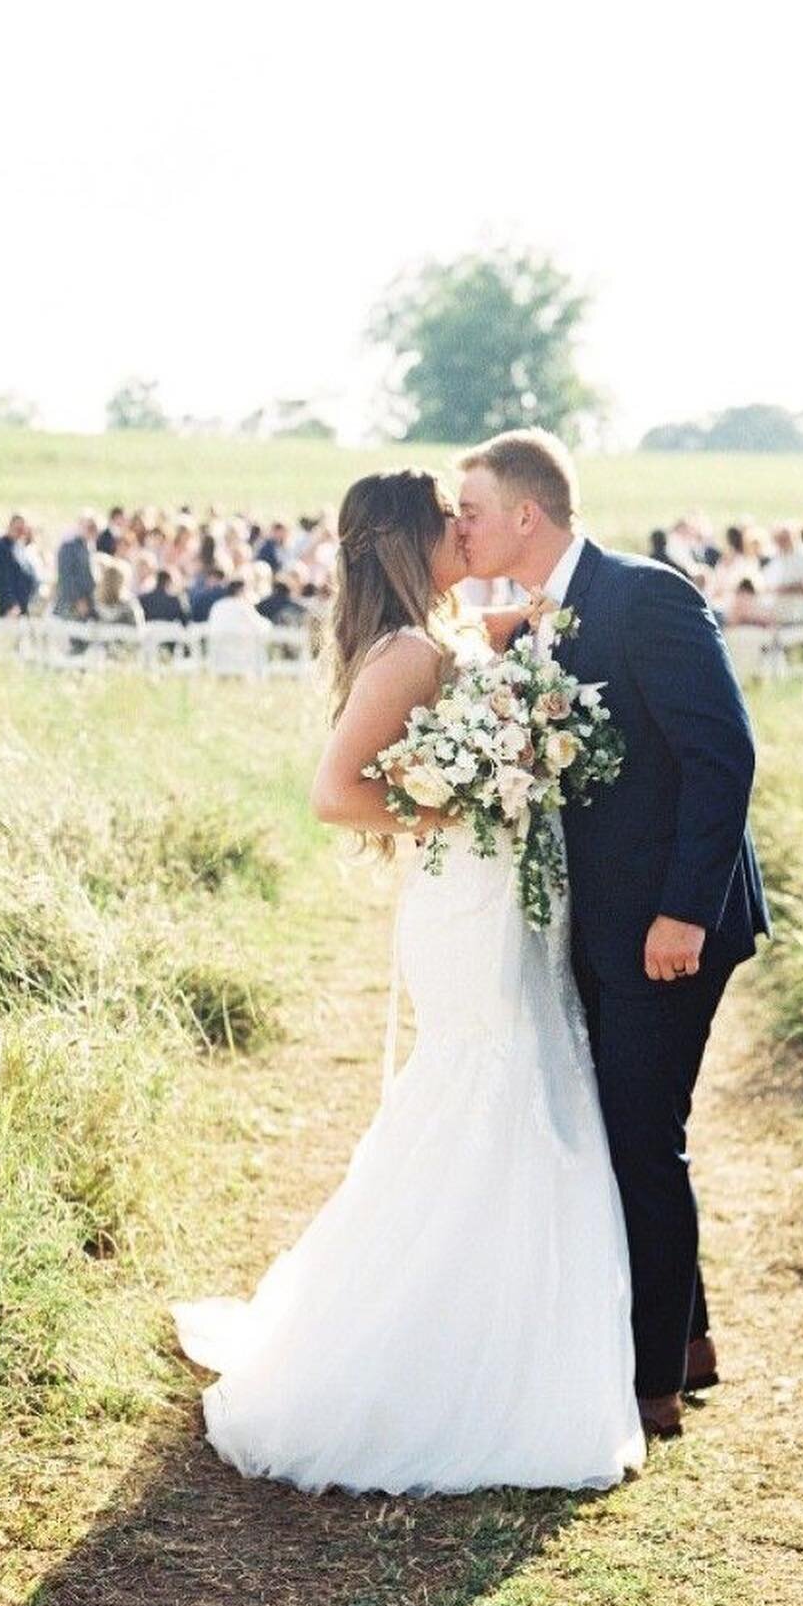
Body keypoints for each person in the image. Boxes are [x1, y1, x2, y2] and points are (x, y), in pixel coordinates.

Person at [171, 466, 648, 1494]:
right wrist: (465, 805)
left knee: (534, 1075)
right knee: (486, 1085)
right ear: (404, 539)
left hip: (509, 898)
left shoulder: (451, 635)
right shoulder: (402, 653)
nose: (459, 525)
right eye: (444, 517)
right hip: (467, 908)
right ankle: (419, 1358)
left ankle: (506, 1333)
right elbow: (335, 795)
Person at [457, 429, 770, 1440]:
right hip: (604, 922)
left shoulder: (647, 596)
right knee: (631, 1129)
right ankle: (687, 1340)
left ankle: (649, 1391)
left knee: (642, 1137)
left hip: (672, 924)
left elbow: (723, 756)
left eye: (472, 509)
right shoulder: (541, 616)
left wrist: (684, 907)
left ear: (525, 516)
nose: (460, 526)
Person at [0, 514, 35, 617]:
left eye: (22, 530)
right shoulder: (0, 549)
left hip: (22, 604)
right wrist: (11, 603)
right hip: (8, 607)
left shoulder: (19, 548)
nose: (19, 533)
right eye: (17, 529)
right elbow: (1, 580)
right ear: (10, 527)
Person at [54, 514, 99, 619]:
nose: (93, 531)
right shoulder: (68, 547)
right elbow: (66, 577)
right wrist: (78, 600)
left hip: (89, 602)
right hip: (72, 604)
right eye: (89, 527)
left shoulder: (89, 547)